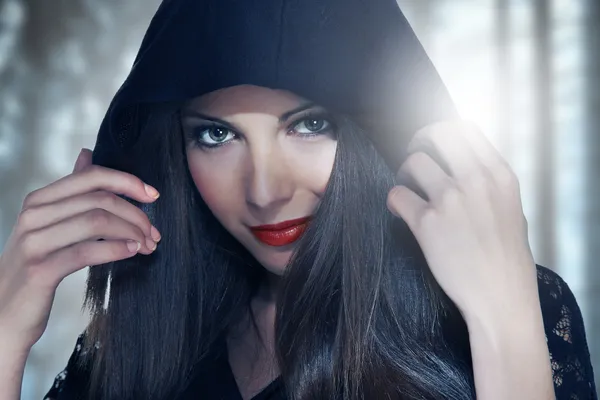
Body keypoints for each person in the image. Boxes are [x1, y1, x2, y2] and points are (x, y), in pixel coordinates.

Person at [0, 0, 596, 399]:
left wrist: (502, 320)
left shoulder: (510, 307)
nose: (266, 191)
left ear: (375, 129)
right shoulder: (138, 343)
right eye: (216, 134)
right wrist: (5, 331)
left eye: (309, 126)